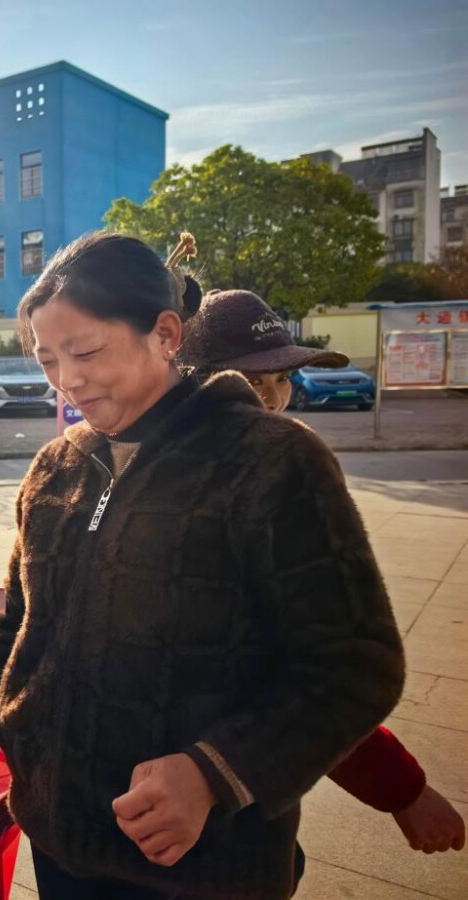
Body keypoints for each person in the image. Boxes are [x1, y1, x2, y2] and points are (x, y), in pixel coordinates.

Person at [0, 232, 406, 898]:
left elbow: (357, 663)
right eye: (47, 359)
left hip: (203, 863)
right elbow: (19, 619)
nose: (67, 380)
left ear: (165, 333)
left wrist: (214, 773)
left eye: (86, 351)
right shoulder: (59, 465)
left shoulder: (272, 461)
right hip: (59, 838)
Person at [180, 287, 465, 856]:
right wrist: (402, 788)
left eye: (280, 380)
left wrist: (399, 787)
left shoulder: (276, 475)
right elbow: (302, 671)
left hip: (240, 797)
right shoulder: (187, 485)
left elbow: (327, 659)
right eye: (250, 382)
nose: (271, 401)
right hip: (191, 808)